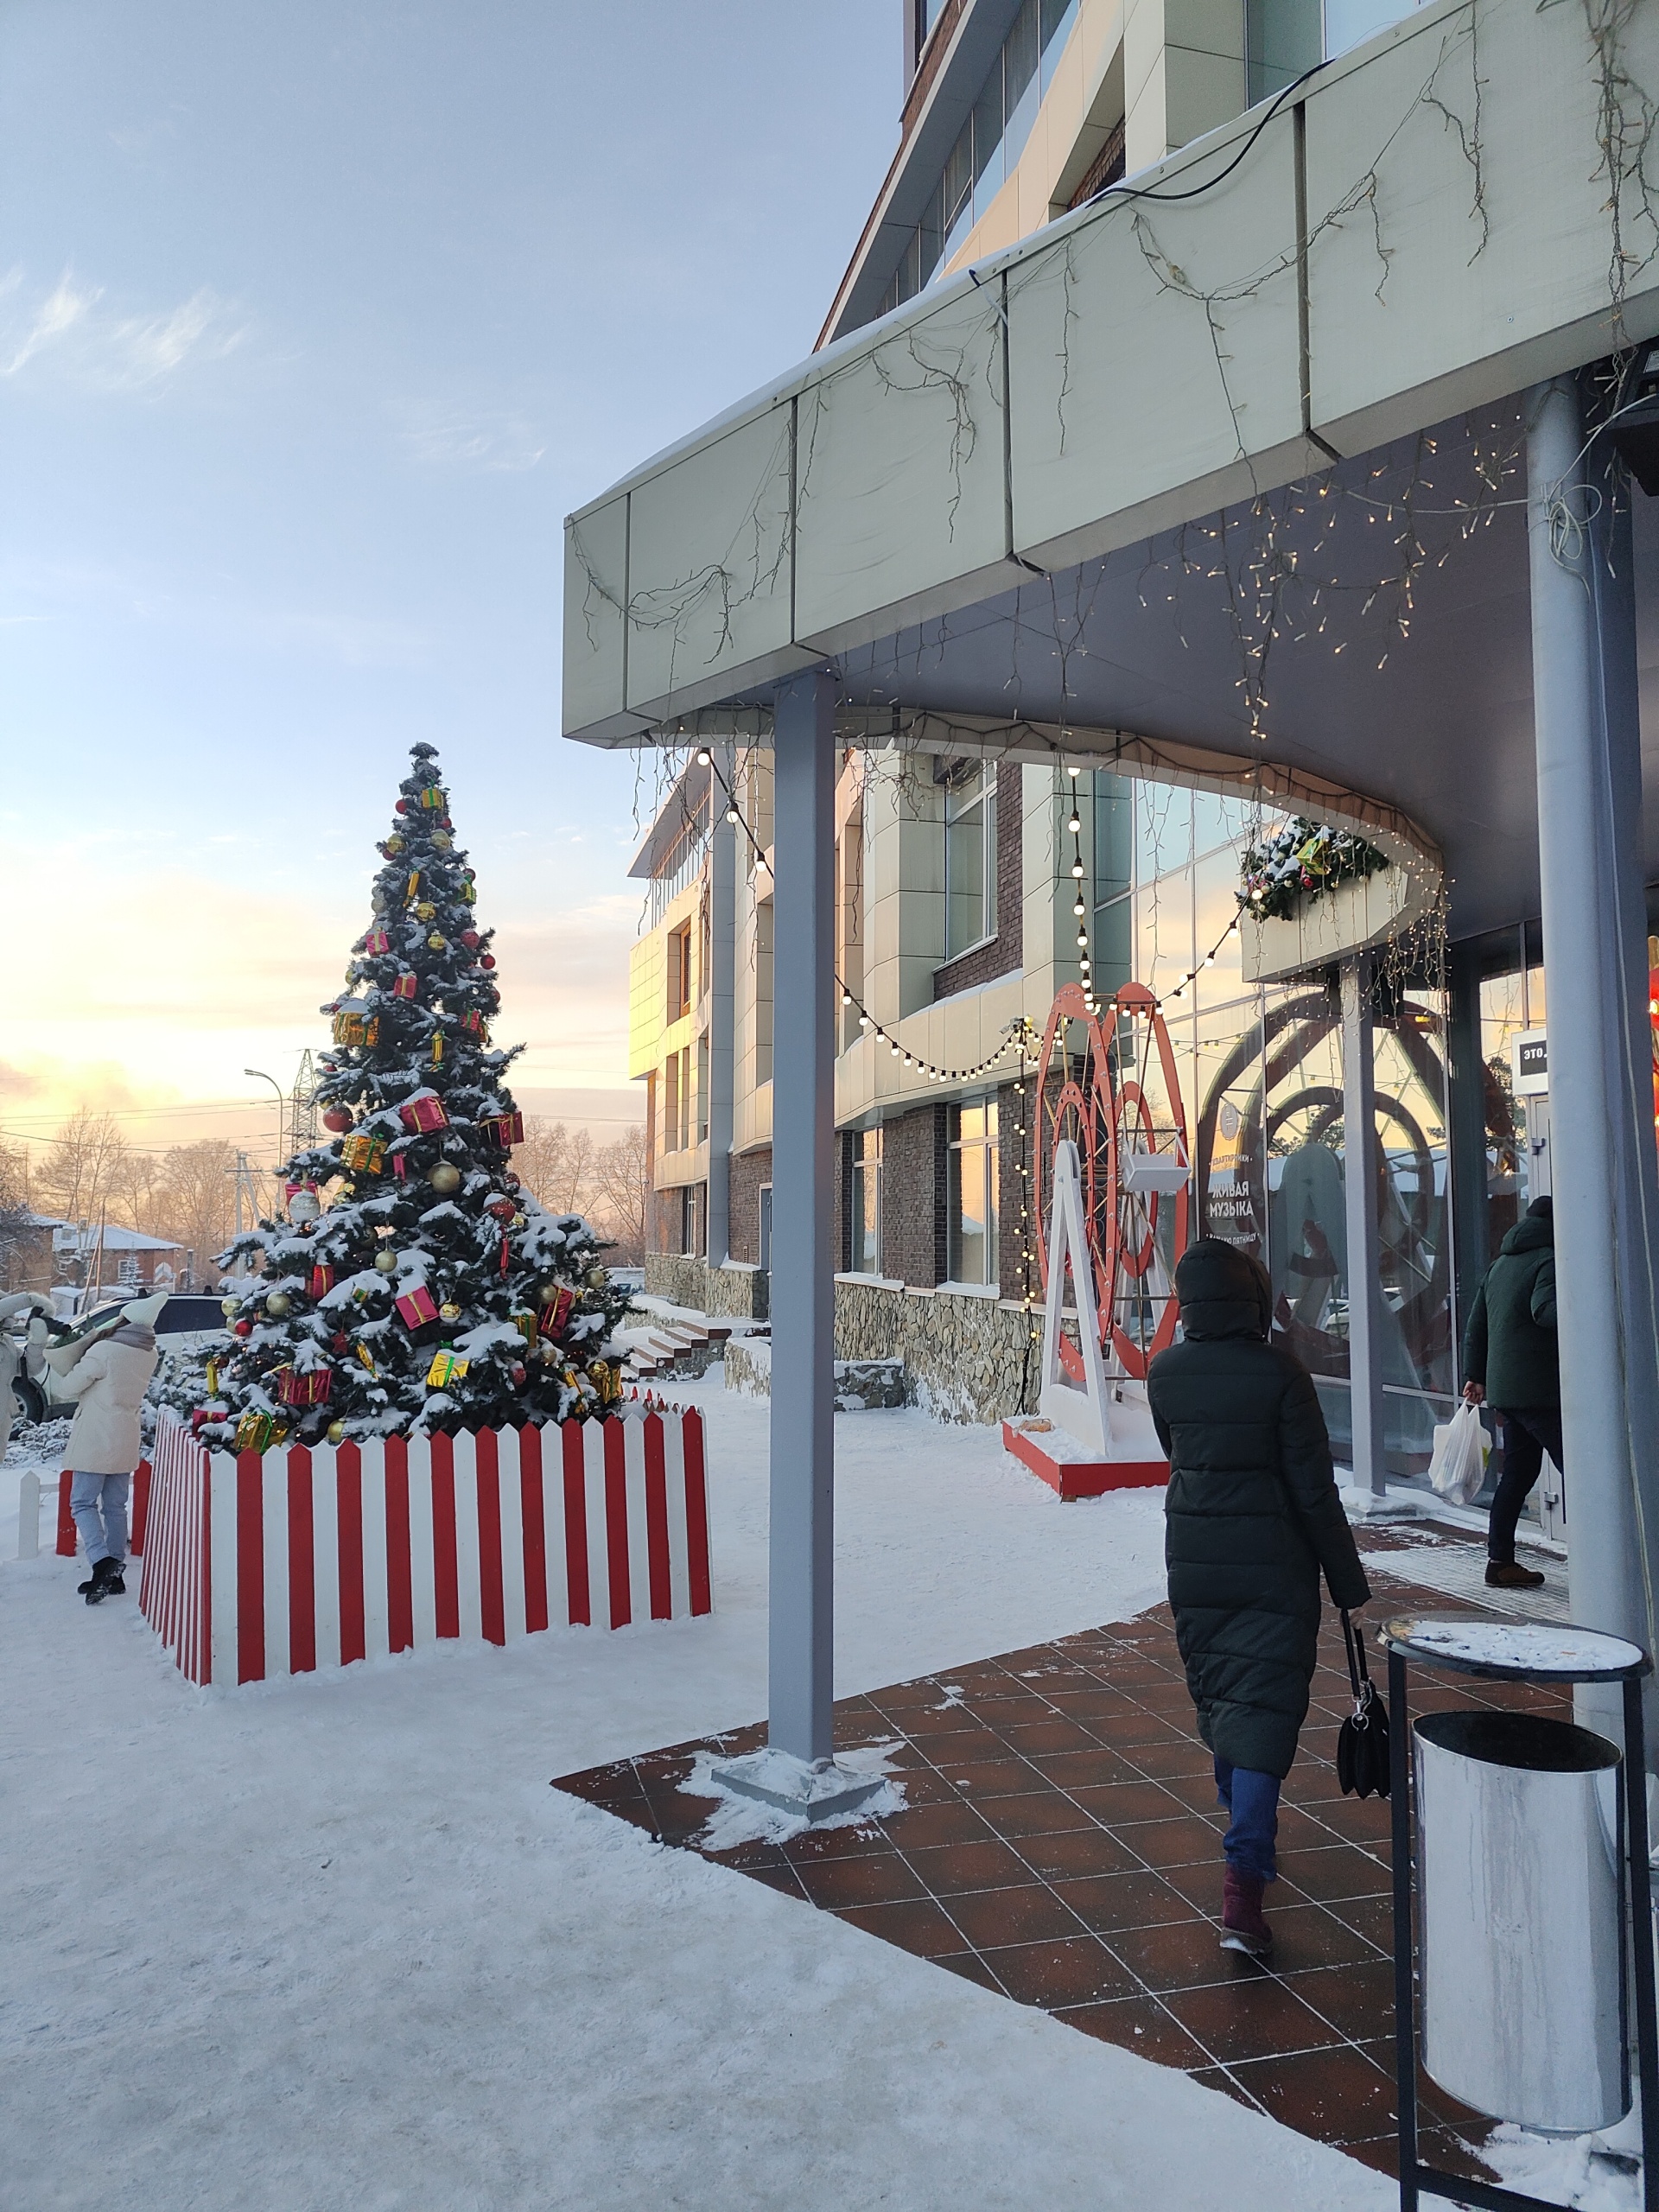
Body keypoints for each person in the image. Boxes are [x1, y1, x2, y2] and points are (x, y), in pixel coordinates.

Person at [1147, 1238, 1371, 1959]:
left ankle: (1243, 1816)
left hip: (1198, 1563)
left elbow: (1177, 1454)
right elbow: (1314, 1489)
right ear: (1252, 1296)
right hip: (1275, 1568)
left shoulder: (1166, 1372)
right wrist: (1347, 1580)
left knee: (1223, 1697)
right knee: (1263, 1714)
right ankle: (1243, 1881)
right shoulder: (1283, 1373)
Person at [1461, 1193, 1557, 1592]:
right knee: (1587, 1473)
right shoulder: (1549, 1260)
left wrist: (1476, 1375)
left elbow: (1475, 1326)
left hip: (1506, 1391)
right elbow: (1547, 1311)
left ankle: (1500, 1563)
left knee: (1517, 1474)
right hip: (1540, 1390)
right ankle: (1605, 1561)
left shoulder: (1501, 1264)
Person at [47, 1291, 163, 1606]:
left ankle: (101, 1562)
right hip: (125, 1435)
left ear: (125, 1319)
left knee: (82, 1502)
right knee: (114, 1507)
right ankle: (115, 1576)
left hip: (97, 1436)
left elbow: (67, 1388)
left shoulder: (106, 1349)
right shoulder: (148, 1353)